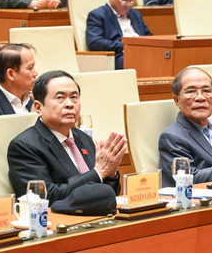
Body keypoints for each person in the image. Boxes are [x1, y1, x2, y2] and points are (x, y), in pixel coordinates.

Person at [7, 70, 126, 207]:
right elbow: (45, 198)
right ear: (39, 107)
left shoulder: (82, 138)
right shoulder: (24, 146)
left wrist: (111, 175)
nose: (69, 104)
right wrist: (98, 172)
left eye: (74, 97)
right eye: (60, 98)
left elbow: (107, 192)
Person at [86, 0, 151, 69]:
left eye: (131, 0)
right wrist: (125, 45)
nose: (128, 5)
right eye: (124, 0)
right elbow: (95, 42)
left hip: (143, 53)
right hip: (120, 55)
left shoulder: (135, 14)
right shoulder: (98, 15)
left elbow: (149, 36)